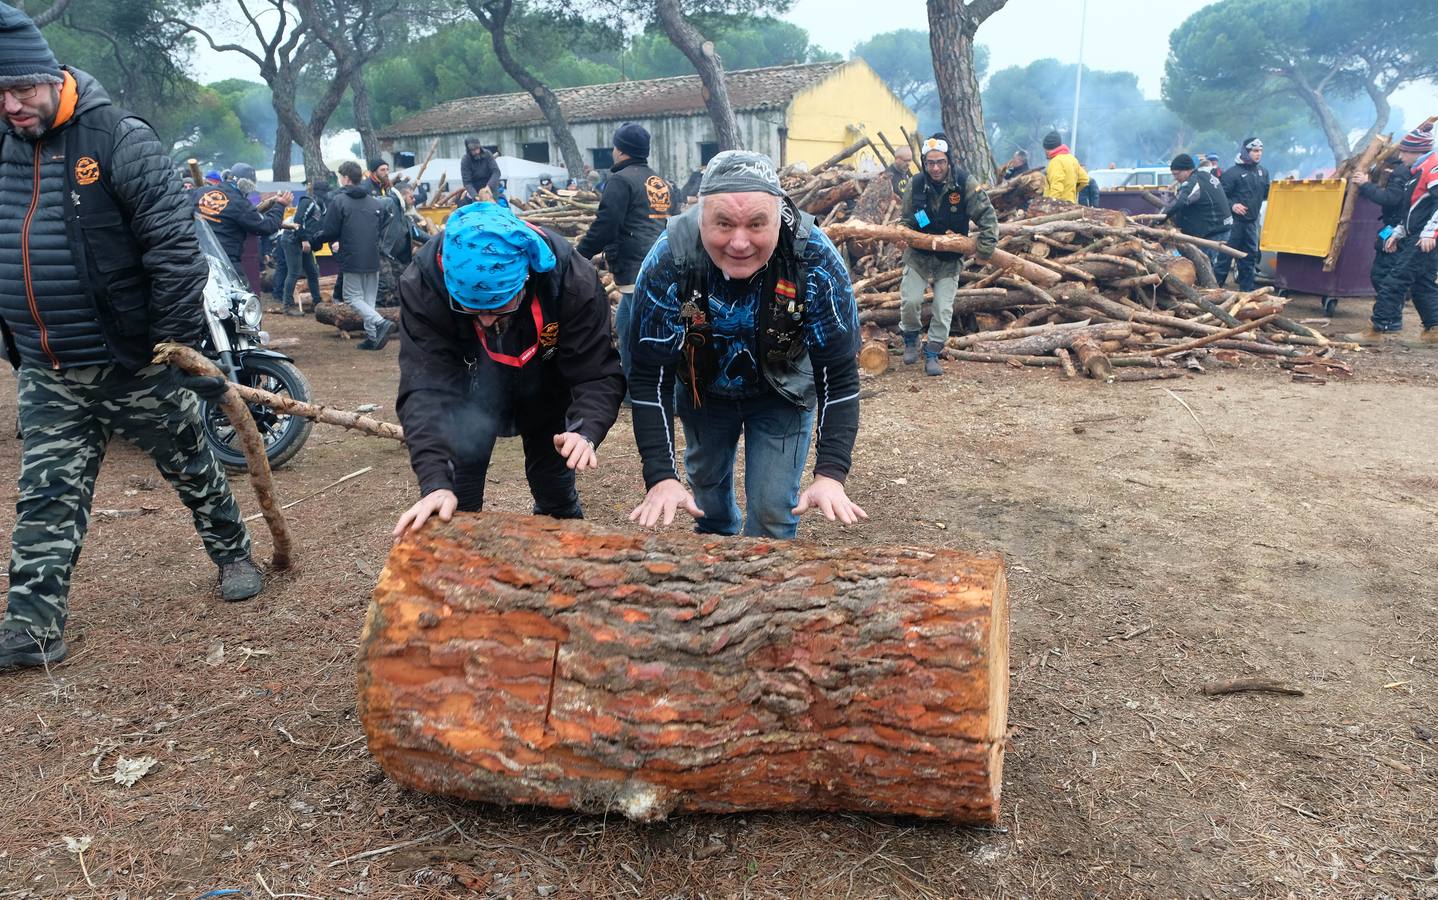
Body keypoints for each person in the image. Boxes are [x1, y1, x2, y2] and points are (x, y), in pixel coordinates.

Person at [0, 3, 262, 669]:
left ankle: (232, 549)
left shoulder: (119, 139)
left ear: (52, 77)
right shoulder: (3, 146)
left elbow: (176, 253)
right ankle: (32, 629)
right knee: (46, 494)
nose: (11, 106)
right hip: (49, 366)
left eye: (21, 90)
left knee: (190, 466)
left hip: (131, 362)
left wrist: (172, 349)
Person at [626, 150, 866, 538]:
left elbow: (838, 373)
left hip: (783, 392)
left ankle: (765, 595)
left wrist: (830, 474)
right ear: (700, 217)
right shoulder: (670, 258)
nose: (740, 242)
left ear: (779, 215)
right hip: (703, 392)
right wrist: (660, 475)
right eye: (723, 224)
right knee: (708, 508)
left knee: (774, 513)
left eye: (757, 224)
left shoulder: (814, 258)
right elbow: (648, 375)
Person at [391, 202, 623, 535]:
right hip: (467, 394)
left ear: (526, 277)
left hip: (547, 387)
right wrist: (434, 481)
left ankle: (566, 567)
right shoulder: (425, 284)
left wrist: (585, 429)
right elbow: (424, 386)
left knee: (555, 489)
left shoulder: (571, 279)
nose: (486, 320)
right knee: (457, 498)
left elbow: (596, 370)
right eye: (471, 308)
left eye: (500, 306)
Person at [575, 122, 674, 388]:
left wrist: (578, 255)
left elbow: (606, 225)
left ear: (620, 150)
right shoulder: (659, 181)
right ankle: (631, 382)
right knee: (626, 322)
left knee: (634, 333)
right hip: (660, 263)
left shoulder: (620, 180)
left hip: (634, 268)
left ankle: (643, 387)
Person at [899, 135, 1000, 376]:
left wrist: (984, 252)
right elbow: (905, 219)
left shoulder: (964, 183)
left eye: (940, 162)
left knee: (943, 309)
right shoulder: (915, 184)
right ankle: (911, 339)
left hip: (950, 258)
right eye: (930, 163)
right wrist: (906, 233)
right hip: (919, 254)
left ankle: (932, 353)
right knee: (910, 301)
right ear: (924, 162)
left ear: (949, 161)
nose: (935, 168)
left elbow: (987, 218)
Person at [1345, 123, 1438, 345]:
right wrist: (1398, 231)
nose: (1401, 155)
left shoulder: (1432, 168)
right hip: (1415, 234)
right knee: (1422, 283)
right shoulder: (1417, 171)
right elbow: (1413, 209)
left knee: (1394, 280)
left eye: (1404, 151)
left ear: (1416, 151)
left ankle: (1378, 328)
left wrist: (1430, 233)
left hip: (1424, 239)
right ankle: (1434, 330)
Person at [315, 160, 396, 351]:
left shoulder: (339, 201)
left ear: (345, 178)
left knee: (352, 297)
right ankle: (373, 337)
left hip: (352, 256)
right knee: (368, 299)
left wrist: (315, 241)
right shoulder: (374, 202)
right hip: (373, 256)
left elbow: (330, 230)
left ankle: (380, 322)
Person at [192, 159, 289, 277]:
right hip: (224, 262)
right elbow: (266, 226)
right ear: (247, 186)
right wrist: (280, 205)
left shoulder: (200, 192)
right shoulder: (241, 204)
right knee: (242, 294)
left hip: (194, 257)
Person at [1353, 151, 1419, 297]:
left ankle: (1387, 314)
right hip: (1395, 227)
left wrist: (1365, 185)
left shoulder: (1401, 171)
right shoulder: (1410, 169)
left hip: (1396, 227)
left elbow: (1390, 198)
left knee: (1382, 275)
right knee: (1385, 272)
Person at [1215, 137, 1270, 291]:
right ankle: (1214, 291)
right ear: (1246, 152)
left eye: (1260, 151)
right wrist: (1233, 205)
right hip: (1233, 224)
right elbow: (1220, 196)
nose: (1258, 154)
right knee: (1224, 258)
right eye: (1255, 151)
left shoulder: (1263, 172)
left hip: (1251, 223)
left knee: (1250, 258)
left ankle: (1246, 295)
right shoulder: (1231, 173)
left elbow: (1267, 193)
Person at [1161, 154, 1233, 267]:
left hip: (1214, 234)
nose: (1175, 178)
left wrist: (1161, 218)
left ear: (1187, 170)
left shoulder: (1193, 183)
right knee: (1209, 267)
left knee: (1205, 268)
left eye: (1176, 174)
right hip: (1220, 229)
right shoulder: (1204, 176)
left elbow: (1179, 202)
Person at [279, 176, 329, 316]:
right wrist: (304, 240)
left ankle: (317, 302)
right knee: (294, 272)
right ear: (319, 192)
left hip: (303, 241)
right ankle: (287, 306)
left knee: (312, 272)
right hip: (292, 239)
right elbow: (298, 220)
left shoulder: (322, 206)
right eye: (325, 192)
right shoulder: (308, 201)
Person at [1041, 130, 1090, 203]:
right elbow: (1084, 180)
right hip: (1071, 205)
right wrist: (1071, 191)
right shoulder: (1072, 159)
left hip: (1058, 207)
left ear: (1047, 148)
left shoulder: (1055, 162)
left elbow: (1056, 187)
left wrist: (1050, 205)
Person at [460, 137, 500, 201]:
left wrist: (489, 186)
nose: (476, 152)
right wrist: (475, 196)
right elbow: (467, 183)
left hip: (491, 188)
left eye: (477, 148)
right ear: (469, 150)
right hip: (475, 189)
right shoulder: (465, 160)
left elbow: (496, 172)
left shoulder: (487, 154)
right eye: (473, 150)